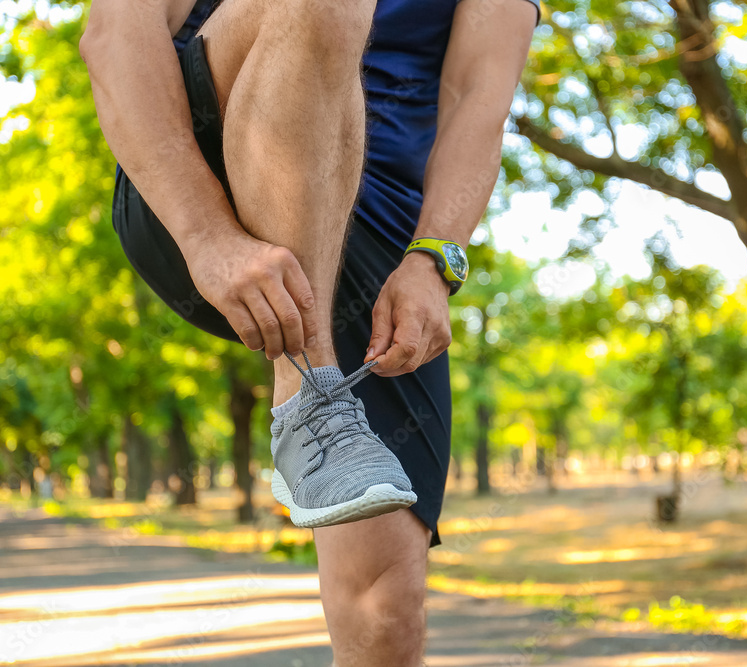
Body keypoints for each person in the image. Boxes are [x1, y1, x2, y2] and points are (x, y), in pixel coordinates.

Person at [80, 0, 538, 663]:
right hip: (197, 180)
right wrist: (207, 236)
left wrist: (436, 260)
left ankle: (321, 409)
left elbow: (477, 99)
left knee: (385, 608)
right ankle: (309, 390)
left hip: (382, 244)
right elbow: (113, 35)